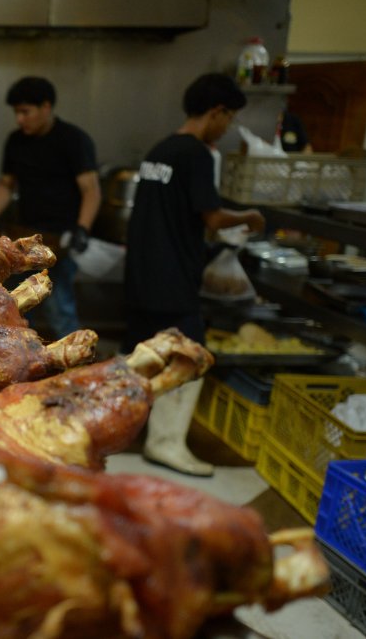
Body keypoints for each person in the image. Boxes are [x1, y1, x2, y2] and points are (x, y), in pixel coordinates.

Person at [123, 73, 266, 476]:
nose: (228, 127)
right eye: (229, 117)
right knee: (189, 356)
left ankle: (112, 429)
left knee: (138, 355)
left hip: (141, 275)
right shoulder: (196, 154)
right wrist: (250, 217)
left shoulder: (160, 150)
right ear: (217, 112)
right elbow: (215, 217)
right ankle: (165, 444)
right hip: (172, 277)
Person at [0, 76, 101, 339]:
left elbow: (91, 190)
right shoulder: (16, 141)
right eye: (16, 112)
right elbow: (7, 185)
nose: (19, 119)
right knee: (11, 307)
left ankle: (74, 364)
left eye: (25, 112)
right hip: (23, 239)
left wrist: (83, 228)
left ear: (46, 107)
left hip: (57, 242)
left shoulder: (72, 140)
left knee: (59, 310)